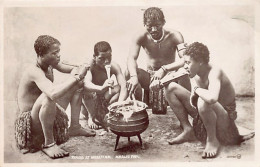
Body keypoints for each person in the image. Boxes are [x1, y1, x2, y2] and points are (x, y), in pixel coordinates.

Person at [161, 42, 254, 158]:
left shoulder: (215, 72)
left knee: (203, 100)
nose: (185, 66)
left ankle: (212, 140)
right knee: (170, 88)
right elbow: (192, 98)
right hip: (205, 114)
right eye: (185, 62)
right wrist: (159, 79)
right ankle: (188, 130)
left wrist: (195, 89)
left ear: (200, 62)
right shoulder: (193, 71)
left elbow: (212, 98)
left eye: (188, 63)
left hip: (225, 119)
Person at [15, 35, 95, 159]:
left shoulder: (50, 64)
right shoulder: (33, 71)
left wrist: (81, 69)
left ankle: (75, 127)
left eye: (58, 52)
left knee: (77, 85)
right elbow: (53, 93)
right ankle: (49, 144)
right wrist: (77, 76)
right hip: (31, 123)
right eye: (54, 53)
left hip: (45, 113)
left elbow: (74, 69)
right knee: (49, 95)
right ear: (41, 54)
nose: (58, 55)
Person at [126, 7, 191, 106]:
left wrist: (164, 69)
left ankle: (189, 107)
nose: (154, 30)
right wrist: (133, 76)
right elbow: (131, 58)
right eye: (149, 26)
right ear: (144, 24)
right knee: (129, 72)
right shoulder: (140, 36)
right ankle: (137, 108)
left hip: (170, 76)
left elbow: (186, 60)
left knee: (184, 72)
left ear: (163, 22)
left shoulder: (175, 35)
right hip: (150, 77)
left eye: (157, 25)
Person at [82, 41, 128, 129]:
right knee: (83, 89)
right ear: (94, 57)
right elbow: (86, 84)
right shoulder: (89, 66)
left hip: (104, 99)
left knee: (122, 87)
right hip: (90, 101)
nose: (106, 61)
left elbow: (123, 86)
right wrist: (101, 88)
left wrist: (119, 105)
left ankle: (109, 112)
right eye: (101, 58)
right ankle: (92, 117)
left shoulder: (114, 66)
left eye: (109, 57)